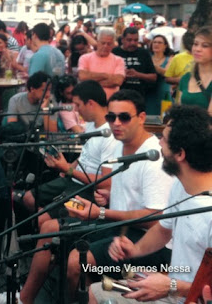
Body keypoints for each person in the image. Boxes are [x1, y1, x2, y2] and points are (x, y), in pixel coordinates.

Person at [0, 90, 173, 304]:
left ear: (141, 118)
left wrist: (101, 211)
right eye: (111, 117)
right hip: (113, 221)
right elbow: (121, 186)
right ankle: (24, 299)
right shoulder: (121, 144)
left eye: (124, 117)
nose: (116, 123)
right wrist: (109, 195)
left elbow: (156, 218)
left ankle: (77, 298)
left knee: (76, 260)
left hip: (141, 235)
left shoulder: (152, 158)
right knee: (47, 228)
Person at [90, 104, 212, 303]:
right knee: (96, 292)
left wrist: (171, 286)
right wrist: (135, 250)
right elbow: (164, 229)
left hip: (184, 295)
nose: (158, 143)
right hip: (175, 290)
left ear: (180, 154)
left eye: (163, 138)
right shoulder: (181, 184)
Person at [21, 79, 117, 216]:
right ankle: (47, 221)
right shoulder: (91, 124)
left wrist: (68, 169)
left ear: (90, 103)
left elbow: (106, 183)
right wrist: (69, 166)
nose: (76, 110)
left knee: (44, 222)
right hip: (72, 178)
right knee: (29, 198)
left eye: (78, 105)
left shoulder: (109, 136)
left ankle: (50, 223)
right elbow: (86, 154)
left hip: (86, 188)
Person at [78, 27, 125, 99]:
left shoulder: (118, 60)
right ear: (98, 41)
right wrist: (106, 75)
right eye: (103, 43)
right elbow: (83, 76)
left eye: (109, 44)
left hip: (111, 102)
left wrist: (91, 82)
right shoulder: (85, 58)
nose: (105, 46)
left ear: (113, 44)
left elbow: (118, 81)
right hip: (90, 102)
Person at [112, 26, 157, 95]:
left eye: (135, 40)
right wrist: (121, 75)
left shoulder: (144, 53)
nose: (132, 43)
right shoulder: (115, 52)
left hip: (138, 95)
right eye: (129, 40)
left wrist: (138, 75)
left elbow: (153, 77)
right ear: (122, 40)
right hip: (118, 94)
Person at [178, 26, 212, 112]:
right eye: (195, 44)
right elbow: (177, 113)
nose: (197, 49)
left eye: (205, 46)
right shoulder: (186, 78)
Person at [146, 34, 173, 115]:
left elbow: (167, 72)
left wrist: (153, 66)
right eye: (154, 42)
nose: (156, 44)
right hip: (148, 93)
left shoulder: (170, 58)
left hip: (163, 92)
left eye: (160, 42)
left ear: (165, 46)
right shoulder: (147, 57)